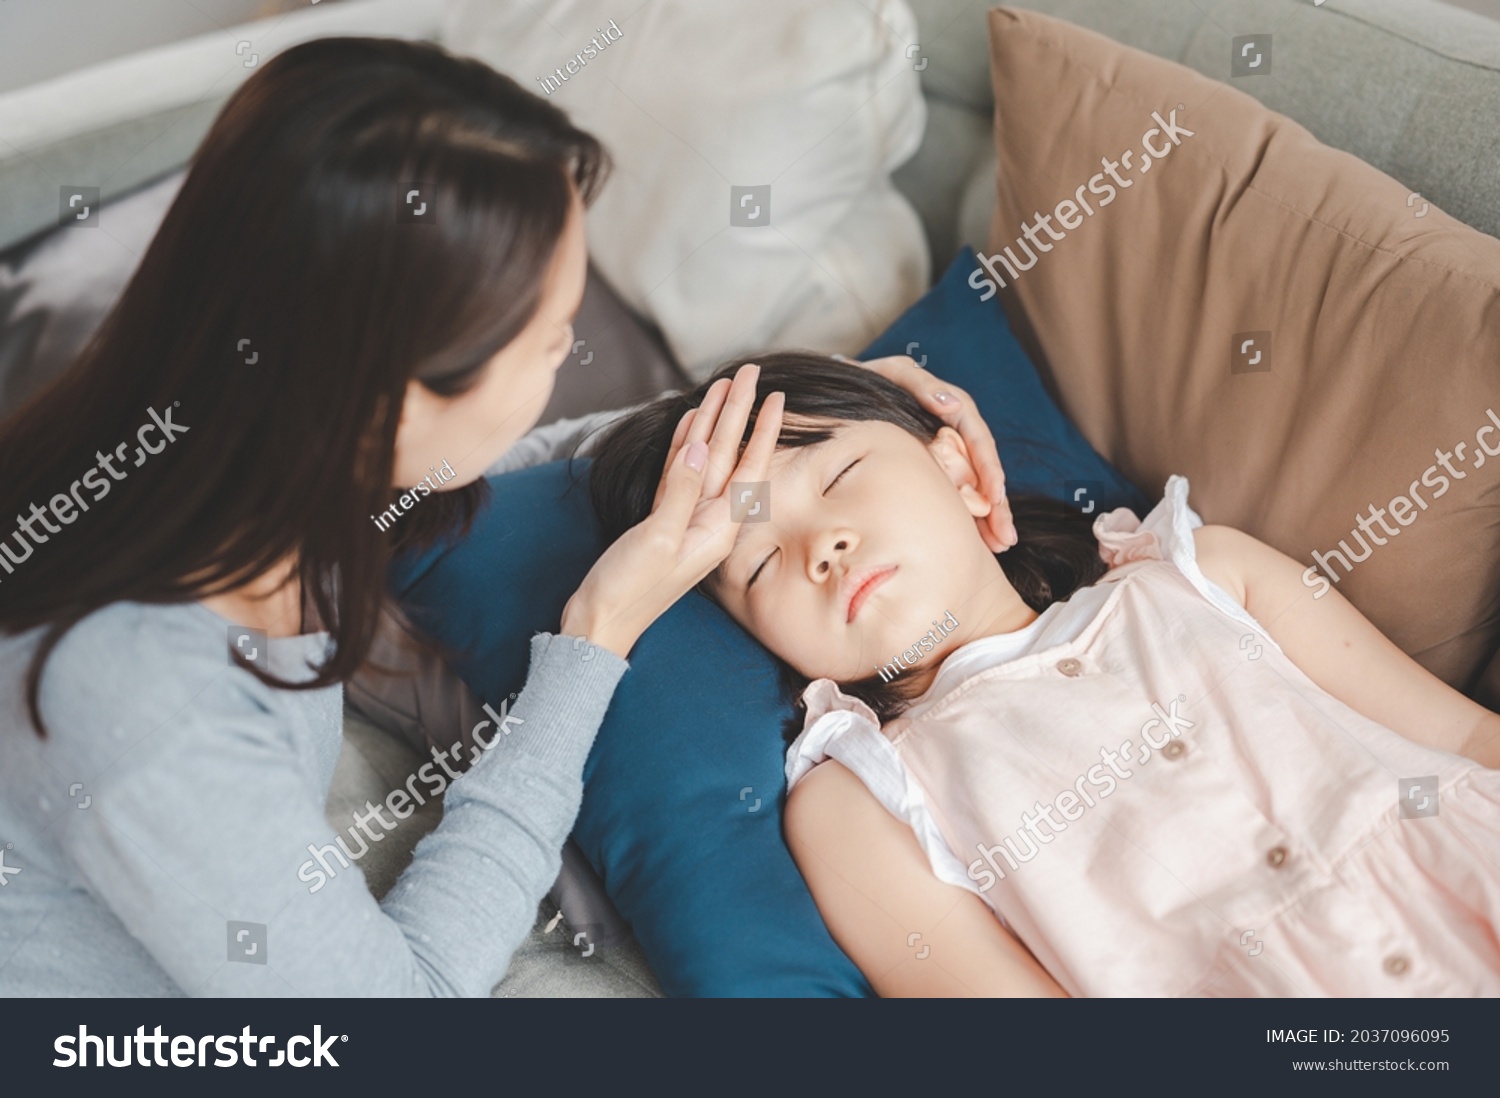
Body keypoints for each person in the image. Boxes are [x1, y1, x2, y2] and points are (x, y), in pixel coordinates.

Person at [0, 38, 1006, 997]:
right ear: (387, 401)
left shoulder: (239, 459)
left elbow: (502, 470)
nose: (569, 354)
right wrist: (594, 638)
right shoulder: (142, 703)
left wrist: (810, 415)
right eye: (549, 340)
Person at [588, 353, 1500, 998]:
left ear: (960, 468)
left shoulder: (1204, 572)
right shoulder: (859, 803)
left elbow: (1461, 737)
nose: (819, 544)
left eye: (843, 475)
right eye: (756, 565)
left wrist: (825, 378)